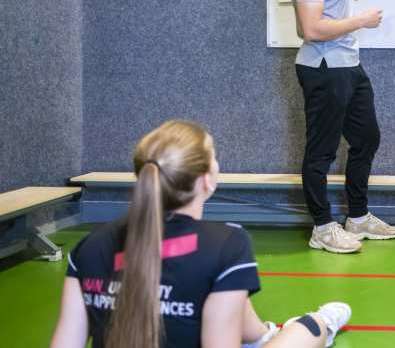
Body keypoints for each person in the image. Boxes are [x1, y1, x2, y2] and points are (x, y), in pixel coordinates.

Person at [49, 121, 351, 348]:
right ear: (206, 180)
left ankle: (263, 334)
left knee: (220, 287)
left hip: (224, 295)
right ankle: (321, 322)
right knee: (305, 330)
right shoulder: (228, 245)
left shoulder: (89, 247)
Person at [292, 0, 395, 254]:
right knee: (321, 152)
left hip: (347, 65)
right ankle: (322, 227)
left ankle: (357, 217)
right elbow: (310, 29)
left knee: (367, 137)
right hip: (324, 69)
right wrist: (360, 22)